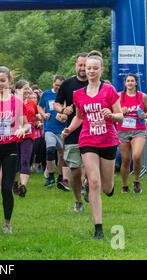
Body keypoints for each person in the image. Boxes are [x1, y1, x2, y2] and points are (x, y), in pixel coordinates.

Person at [62, 54, 123, 239]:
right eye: (88, 68)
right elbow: (79, 117)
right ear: (84, 69)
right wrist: (69, 129)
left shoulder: (109, 90)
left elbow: (120, 115)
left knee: (106, 187)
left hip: (108, 140)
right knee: (94, 182)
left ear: (101, 70)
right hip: (88, 140)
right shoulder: (78, 94)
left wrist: (112, 116)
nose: (90, 71)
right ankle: (98, 228)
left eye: (95, 68)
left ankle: (108, 186)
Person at [0, 66, 30, 234]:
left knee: (7, 188)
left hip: (10, 148)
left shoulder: (17, 101)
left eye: (3, 81)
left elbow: (26, 123)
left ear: (10, 82)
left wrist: (23, 129)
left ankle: (7, 223)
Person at [54, 53, 89, 212]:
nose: (82, 68)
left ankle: (88, 183)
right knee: (74, 171)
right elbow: (56, 103)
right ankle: (78, 200)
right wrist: (63, 109)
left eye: (85, 65)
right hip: (72, 131)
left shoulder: (97, 84)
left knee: (91, 167)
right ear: (76, 65)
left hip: (92, 131)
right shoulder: (67, 84)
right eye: (80, 65)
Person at [117, 74, 147, 194]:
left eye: (132, 81)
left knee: (136, 156)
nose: (130, 83)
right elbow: (113, 112)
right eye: (128, 81)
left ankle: (136, 181)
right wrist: (121, 111)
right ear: (125, 83)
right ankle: (125, 185)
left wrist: (145, 115)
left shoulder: (142, 96)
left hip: (139, 129)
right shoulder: (119, 96)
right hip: (123, 130)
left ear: (136, 83)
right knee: (125, 160)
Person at [38, 75, 70, 191]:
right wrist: (43, 114)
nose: (58, 87)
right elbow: (40, 106)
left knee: (62, 155)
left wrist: (63, 116)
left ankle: (61, 177)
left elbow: (69, 111)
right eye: (56, 85)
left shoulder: (66, 95)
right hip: (49, 128)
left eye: (60, 86)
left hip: (62, 129)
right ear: (53, 83)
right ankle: (50, 175)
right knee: (50, 149)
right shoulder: (46, 94)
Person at [14, 80, 39, 197]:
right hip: (13, 136)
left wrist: (42, 118)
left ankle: (23, 186)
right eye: (25, 88)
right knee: (14, 162)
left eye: (29, 88)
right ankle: (14, 183)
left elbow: (37, 115)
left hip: (28, 136)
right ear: (18, 90)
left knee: (25, 160)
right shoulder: (11, 102)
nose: (28, 90)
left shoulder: (32, 103)